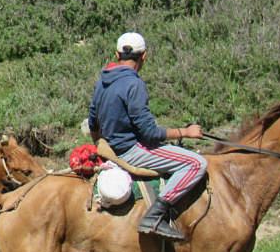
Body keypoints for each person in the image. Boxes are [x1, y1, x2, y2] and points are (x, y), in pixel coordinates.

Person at [87, 33, 207, 241]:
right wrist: (185, 132)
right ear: (144, 56)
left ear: (117, 54)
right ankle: (155, 216)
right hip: (132, 150)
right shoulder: (134, 85)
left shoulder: (102, 81)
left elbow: (93, 122)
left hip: (112, 149)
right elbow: (149, 133)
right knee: (196, 163)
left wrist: (102, 145)